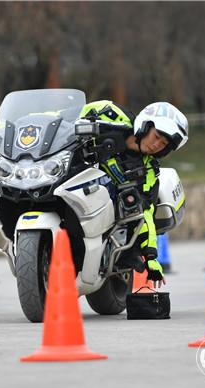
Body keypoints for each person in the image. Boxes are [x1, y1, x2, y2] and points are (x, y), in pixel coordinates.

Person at [78, 100, 189, 288]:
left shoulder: (148, 174)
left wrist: (151, 257)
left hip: (100, 213)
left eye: (163, 144)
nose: (156, 145)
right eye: (157, 136)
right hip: (66, 173)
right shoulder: (111, 114)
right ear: (146, 126)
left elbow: (146, 215)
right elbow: (69, 116)